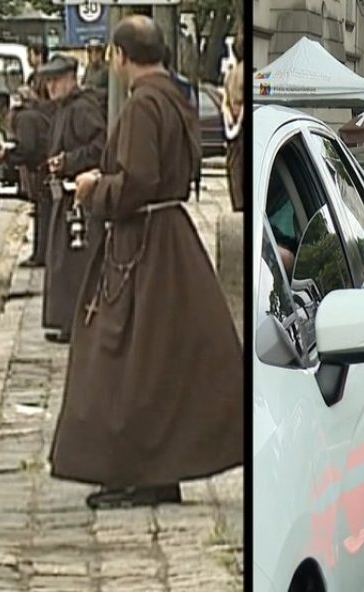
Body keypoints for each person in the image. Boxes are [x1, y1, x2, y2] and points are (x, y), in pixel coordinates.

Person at [49, 15, 243, 509]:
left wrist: (93, 189)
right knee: (158, 361)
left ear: (119, 55)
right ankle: (158, 471)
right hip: (170, 238)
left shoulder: (142, 105)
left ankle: (136, 470)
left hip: (143, 247)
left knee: (126, 362)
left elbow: (137, 182)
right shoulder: (176, 97)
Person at [40, 54, 106, 343]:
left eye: (56, 80)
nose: (51, 86)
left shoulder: (82, 109)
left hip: (79, 196)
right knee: (61, 262)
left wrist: (69, 161)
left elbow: (99, 146)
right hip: (63, 195)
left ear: (70, 79)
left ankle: (76, 321)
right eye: (48, 81)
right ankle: (63, 320)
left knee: (75, 263)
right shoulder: (61, 110)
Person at [0, 77, 55, 268]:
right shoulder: (29, 116)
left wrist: (7, 156)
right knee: (42, 212)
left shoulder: (23, 120)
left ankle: (41, 255)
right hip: (44, 167)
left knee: (44, 213)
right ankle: (42, 254)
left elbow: (27, 149)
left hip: (45, 168)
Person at [222, 32, 244, 211]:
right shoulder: (245, 72)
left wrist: (231, 121)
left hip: (234, 129)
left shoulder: (230, 75)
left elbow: (226, 103)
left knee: (234, 170)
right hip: (242, 128)